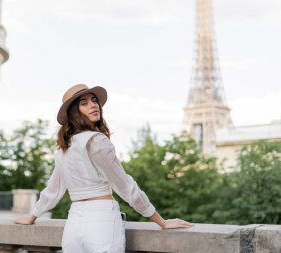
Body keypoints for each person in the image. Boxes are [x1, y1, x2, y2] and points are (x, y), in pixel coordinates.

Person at [13, 84, 193, 252]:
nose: (93, 105)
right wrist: (161, 221)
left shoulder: (64, 149)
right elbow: (125, 186)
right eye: (84, 103)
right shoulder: (96, 141)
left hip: (74, 223)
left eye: (94, 100)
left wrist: (33, 216)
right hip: (101, 220)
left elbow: (53, 190)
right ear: (75, 113)